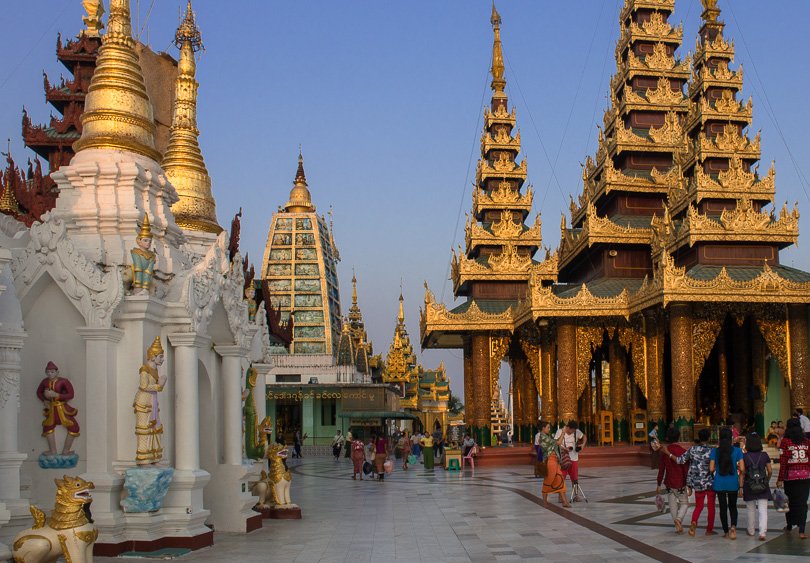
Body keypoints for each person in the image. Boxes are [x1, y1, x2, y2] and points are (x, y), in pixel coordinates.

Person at [673, 428, 716, 536]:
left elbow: (680, 460)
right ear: (709, 437)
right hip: (710, 482)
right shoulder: (712, 451)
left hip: (697, 482)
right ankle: (709, 530)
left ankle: (694, 522)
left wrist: (668, 453)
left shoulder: (692, 449)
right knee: (711, 507)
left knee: (699, 506)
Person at [36, 361, 80, 456]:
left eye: (52, 372)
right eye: (48, 372)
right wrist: (44, 400)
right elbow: (39, 392)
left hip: (62, 408)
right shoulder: (45, 382)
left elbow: (71, 394)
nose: (50, 374)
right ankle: (53, 451)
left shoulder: (63, 381)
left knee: (74, 427)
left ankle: (66, 450)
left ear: (57, 372)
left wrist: (57, 395)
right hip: (51, 408)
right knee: (47, 427)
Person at [776, 418, 810, 539]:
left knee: (788, 501)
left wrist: (780, 478)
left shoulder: (785, 441)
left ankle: (789, 525)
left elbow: (783, 462)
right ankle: (801, 530)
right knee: (802, 503)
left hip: (790, 477)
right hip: (805, 477)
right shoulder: (806, 441)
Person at [710, 427, 744, 539]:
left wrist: (717, 467)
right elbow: (743, 468)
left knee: (723, 508)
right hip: (733, 482)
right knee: (733, 507)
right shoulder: (738, 450)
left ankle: (725, 531)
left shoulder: (715, 451)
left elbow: (711, 469)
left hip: (719, 483)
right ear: (731, 437)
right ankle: (733, 526)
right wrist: (737, 467)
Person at [657, 427, 689, 534]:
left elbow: (661, 469)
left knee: (672, 503)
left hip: (669, 482)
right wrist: (688, 484)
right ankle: (679, 519)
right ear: (679, 437)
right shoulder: (683, 451)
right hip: (681, 482)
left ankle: (676, 524)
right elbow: (686, 469)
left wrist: (658, 483)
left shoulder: (664, 452)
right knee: (684, 503)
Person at [741, 433, 772, 541]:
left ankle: (751, 530)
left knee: (750, 509)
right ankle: (762, 533)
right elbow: (770, 470)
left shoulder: (744, 456)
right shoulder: (764, 455)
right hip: (763, 485)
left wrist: (741, 485)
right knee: (763, 509)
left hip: (749, 484)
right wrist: (766, 480)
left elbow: (743, 472)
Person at [539, 422, 570, 507]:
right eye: (548, 427)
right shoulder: (542, 436)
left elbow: (557, 445)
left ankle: (565, 501)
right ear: (543, 428)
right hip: (550, 460)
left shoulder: (548, 436)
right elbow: (558, 443)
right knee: (549, 479)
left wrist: (564, 449)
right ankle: (544, 502)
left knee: (560, 479)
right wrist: (563, 432)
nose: (549, 429)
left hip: (555, 460)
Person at [555, 421, 586, 489]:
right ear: (568, 427)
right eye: (572, 430)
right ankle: (561, 495)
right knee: (562, 477)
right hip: (563, 458)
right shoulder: (560, 431)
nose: (573, 432)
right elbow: (556, 443)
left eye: (574, 431)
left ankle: (576, 495)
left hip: (574, 458)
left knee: (575, 478)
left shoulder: (576, 431)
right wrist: (564, 448)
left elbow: (584, 436)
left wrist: (583, 445)